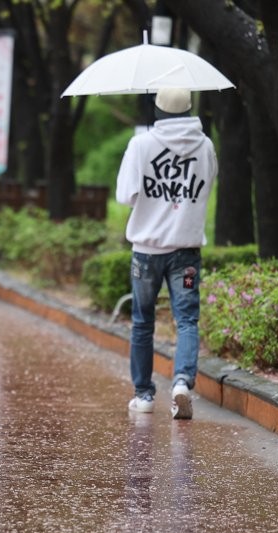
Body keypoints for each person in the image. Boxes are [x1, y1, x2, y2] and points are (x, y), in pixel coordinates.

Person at [116, 87, 218, 419]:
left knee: (143, 322)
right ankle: (182, 384)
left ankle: (144, 396)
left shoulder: (141, 144)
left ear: (157, 109)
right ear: (188, 109)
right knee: (186, 320)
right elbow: (207, 188)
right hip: (185, 249)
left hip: (147, 250)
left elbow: (126, 195)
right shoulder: (206, 147)